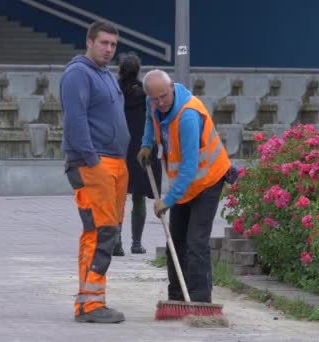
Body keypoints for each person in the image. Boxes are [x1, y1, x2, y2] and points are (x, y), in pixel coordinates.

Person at [137, 69, 231, 303]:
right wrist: (146, 143)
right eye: (155, 98)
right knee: (175, 239)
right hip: (186, 183)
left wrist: (167, 201)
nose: (160, 103)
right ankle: (177, 297)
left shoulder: (188, 116)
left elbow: (190, 168)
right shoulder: (153, 102)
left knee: (196, 241)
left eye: (163, 97)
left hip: (208, 179)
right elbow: (151, 119)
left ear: (172, 87)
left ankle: (200, 300)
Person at [60, 21, 129, 323]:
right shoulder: (77, 74)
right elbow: (75, 121)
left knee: (107, 233)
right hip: (93, 163)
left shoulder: (106, 76)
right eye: (104, 43)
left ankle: (92, 301)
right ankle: (89, 306)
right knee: (99, 232)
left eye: (113, 45)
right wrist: (92, 161)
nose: (109, 49)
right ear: (89, 41)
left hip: (114, 161)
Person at [115, 52, 162, 256]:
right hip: (142, 151)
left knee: (117, 197)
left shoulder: (114, 93)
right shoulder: (146, 95)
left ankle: (116, 242)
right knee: (139, 196)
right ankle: (136, 243)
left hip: (118, 149)